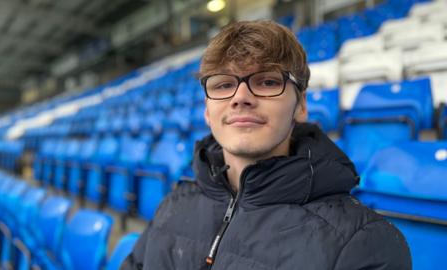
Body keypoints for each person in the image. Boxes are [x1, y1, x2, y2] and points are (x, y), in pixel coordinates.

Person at [122, 20, 411, 270]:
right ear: (207, 111)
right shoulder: (173, 205)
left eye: (267, 82)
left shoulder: (365, 242)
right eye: (223, 85)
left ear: (300, 105)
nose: (241, 97)